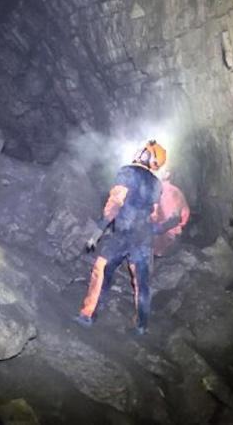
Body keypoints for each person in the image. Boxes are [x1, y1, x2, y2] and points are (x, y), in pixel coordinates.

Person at [74, 140, 178, 334]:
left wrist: (98, 231)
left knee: (102, 269)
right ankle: (141, 326)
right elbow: (153, 217)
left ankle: (88, 315)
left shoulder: (128, 172)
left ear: (147, 156)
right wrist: (161, 228)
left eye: (143, 150)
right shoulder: (156, 184)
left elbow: (114, 203)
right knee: (142, 283)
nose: (139, 152)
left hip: (122, 234)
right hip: (143, 239)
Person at [151, 170, 190, 257]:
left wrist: (157, 228)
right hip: (167, 241)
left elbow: (174, 219)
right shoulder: (175, 192)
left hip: (161, 242)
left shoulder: (167, 191)